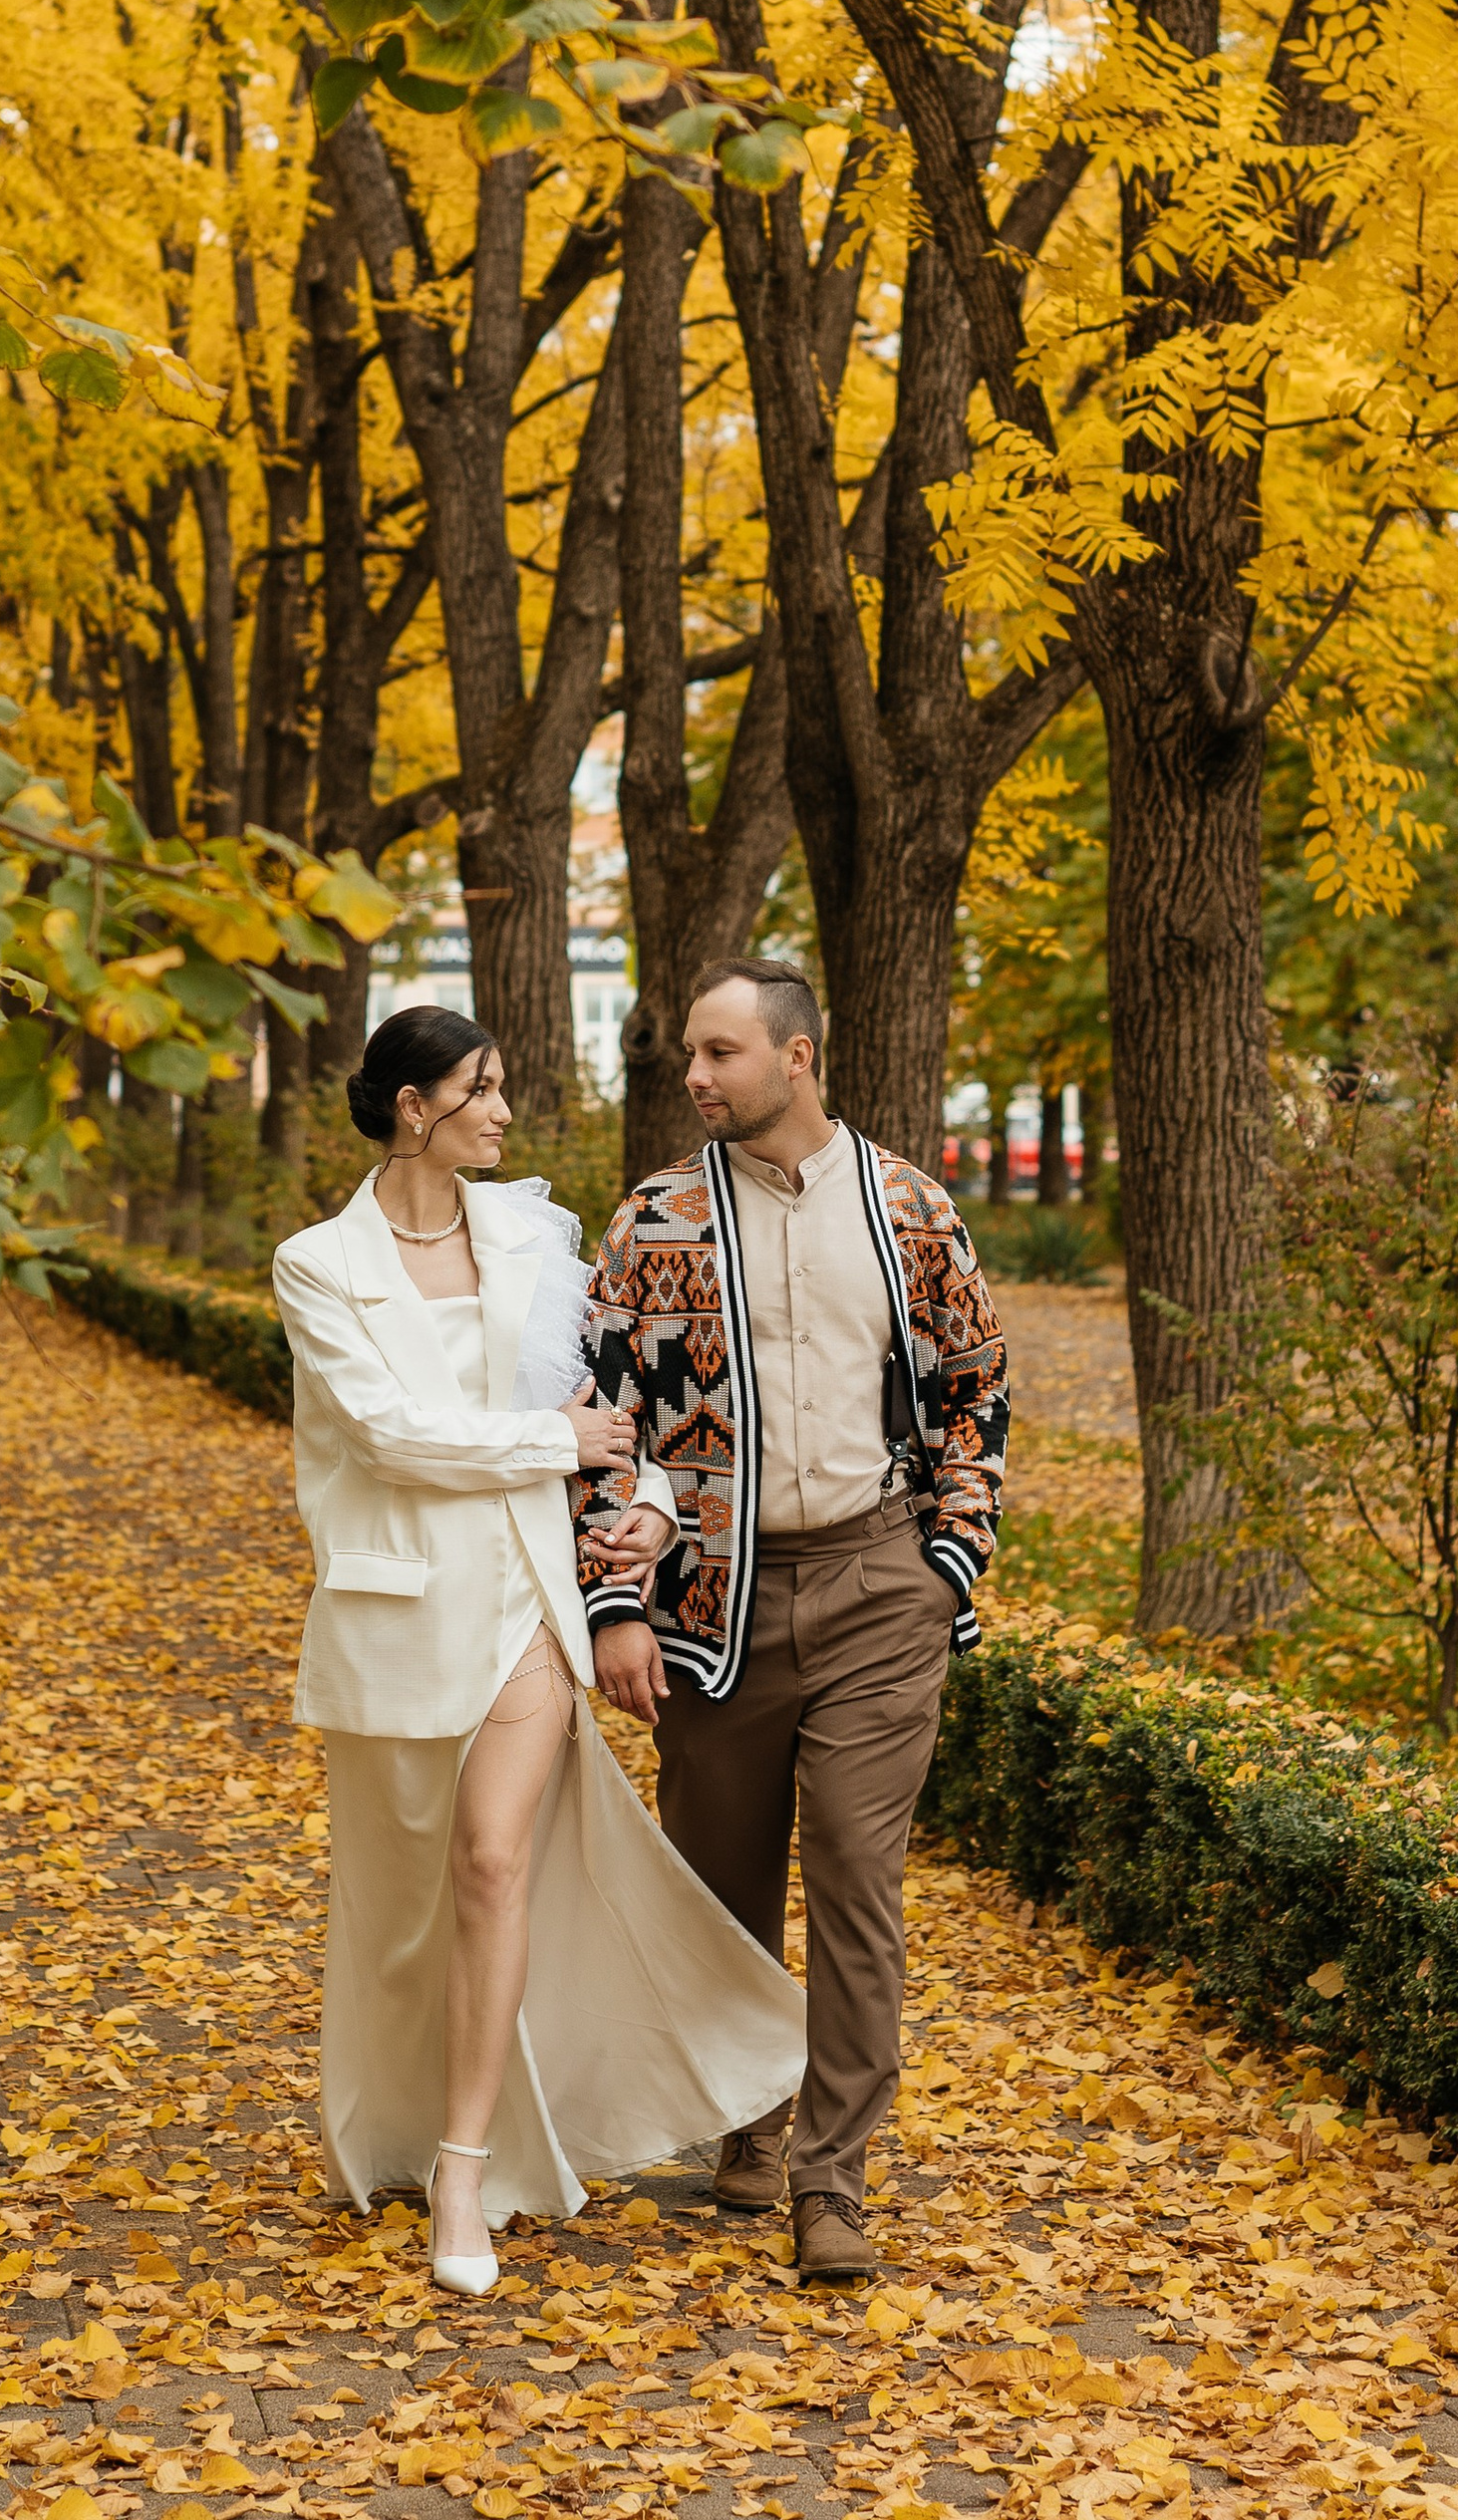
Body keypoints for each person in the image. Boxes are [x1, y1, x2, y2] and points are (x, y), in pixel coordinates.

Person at [270, 1005, 805, 2299]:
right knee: (403, 1910)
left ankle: (464, 2166)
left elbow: (629, 1407)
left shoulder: (529, 1233)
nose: (506, 1111)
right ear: (414, 1106)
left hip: (524, 1598)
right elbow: (392, 1434)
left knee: (495, 1859)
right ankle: (409, 2128)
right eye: (483, 1088)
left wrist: (648, 1505)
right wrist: (553, 1447)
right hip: (396, 1612)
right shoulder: (318, 1265)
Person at [573, 959, 1010, 2283]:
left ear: (797, 1057)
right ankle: (744, 2127)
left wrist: (949, 1562)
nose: (695, 1077)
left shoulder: (910, 1208)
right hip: (714, 1601)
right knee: (720, 1889)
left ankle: (836, 2180)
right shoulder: (654, 1220)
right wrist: (614, 1607)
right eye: (692, 1058)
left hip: (882, 1585)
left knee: (862, 1888)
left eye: (720, 1054)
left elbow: (976, 1393)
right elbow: (604, 1422)